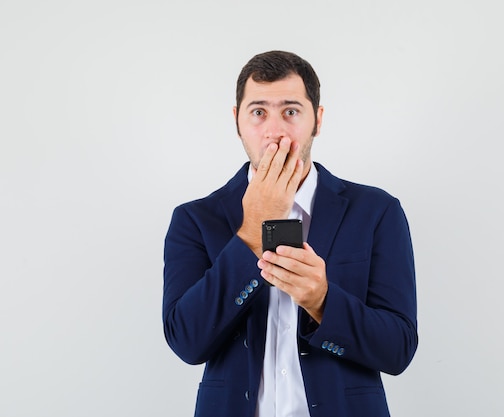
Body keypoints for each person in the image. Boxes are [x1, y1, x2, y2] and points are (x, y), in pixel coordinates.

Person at [162, 50, 418, 417]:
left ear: (318, 119)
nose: (275, 131)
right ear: (237, 121)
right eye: (258, 112)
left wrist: (322, 301)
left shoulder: (377, 212)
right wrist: (252, 231)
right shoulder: (194, 219)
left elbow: (398, 349)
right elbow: (187, 341)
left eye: (291, 111)